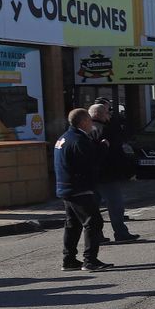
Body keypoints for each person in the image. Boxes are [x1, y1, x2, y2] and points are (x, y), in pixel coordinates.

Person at [54, 108, 111, 272]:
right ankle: (90, 260)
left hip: (66, 187)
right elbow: (91, 162)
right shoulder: (79, 140)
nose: (92, 124)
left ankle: (69, 259)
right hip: (80, 188)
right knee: (93, 222)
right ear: (84, 122)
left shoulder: (64, 138)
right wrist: (103, 148)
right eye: (90, 121)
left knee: (73, 224)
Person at [87, 101, 138, 244]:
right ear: (100, 115)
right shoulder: (106, 130)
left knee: (94, 208)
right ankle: (121, 232)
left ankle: (96, 235)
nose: (109, 115)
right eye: (107, 113)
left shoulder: (85, 130)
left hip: (91, 176)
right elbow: (116, 153)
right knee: (115, 205)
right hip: (107, 174)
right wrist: (128, 170)